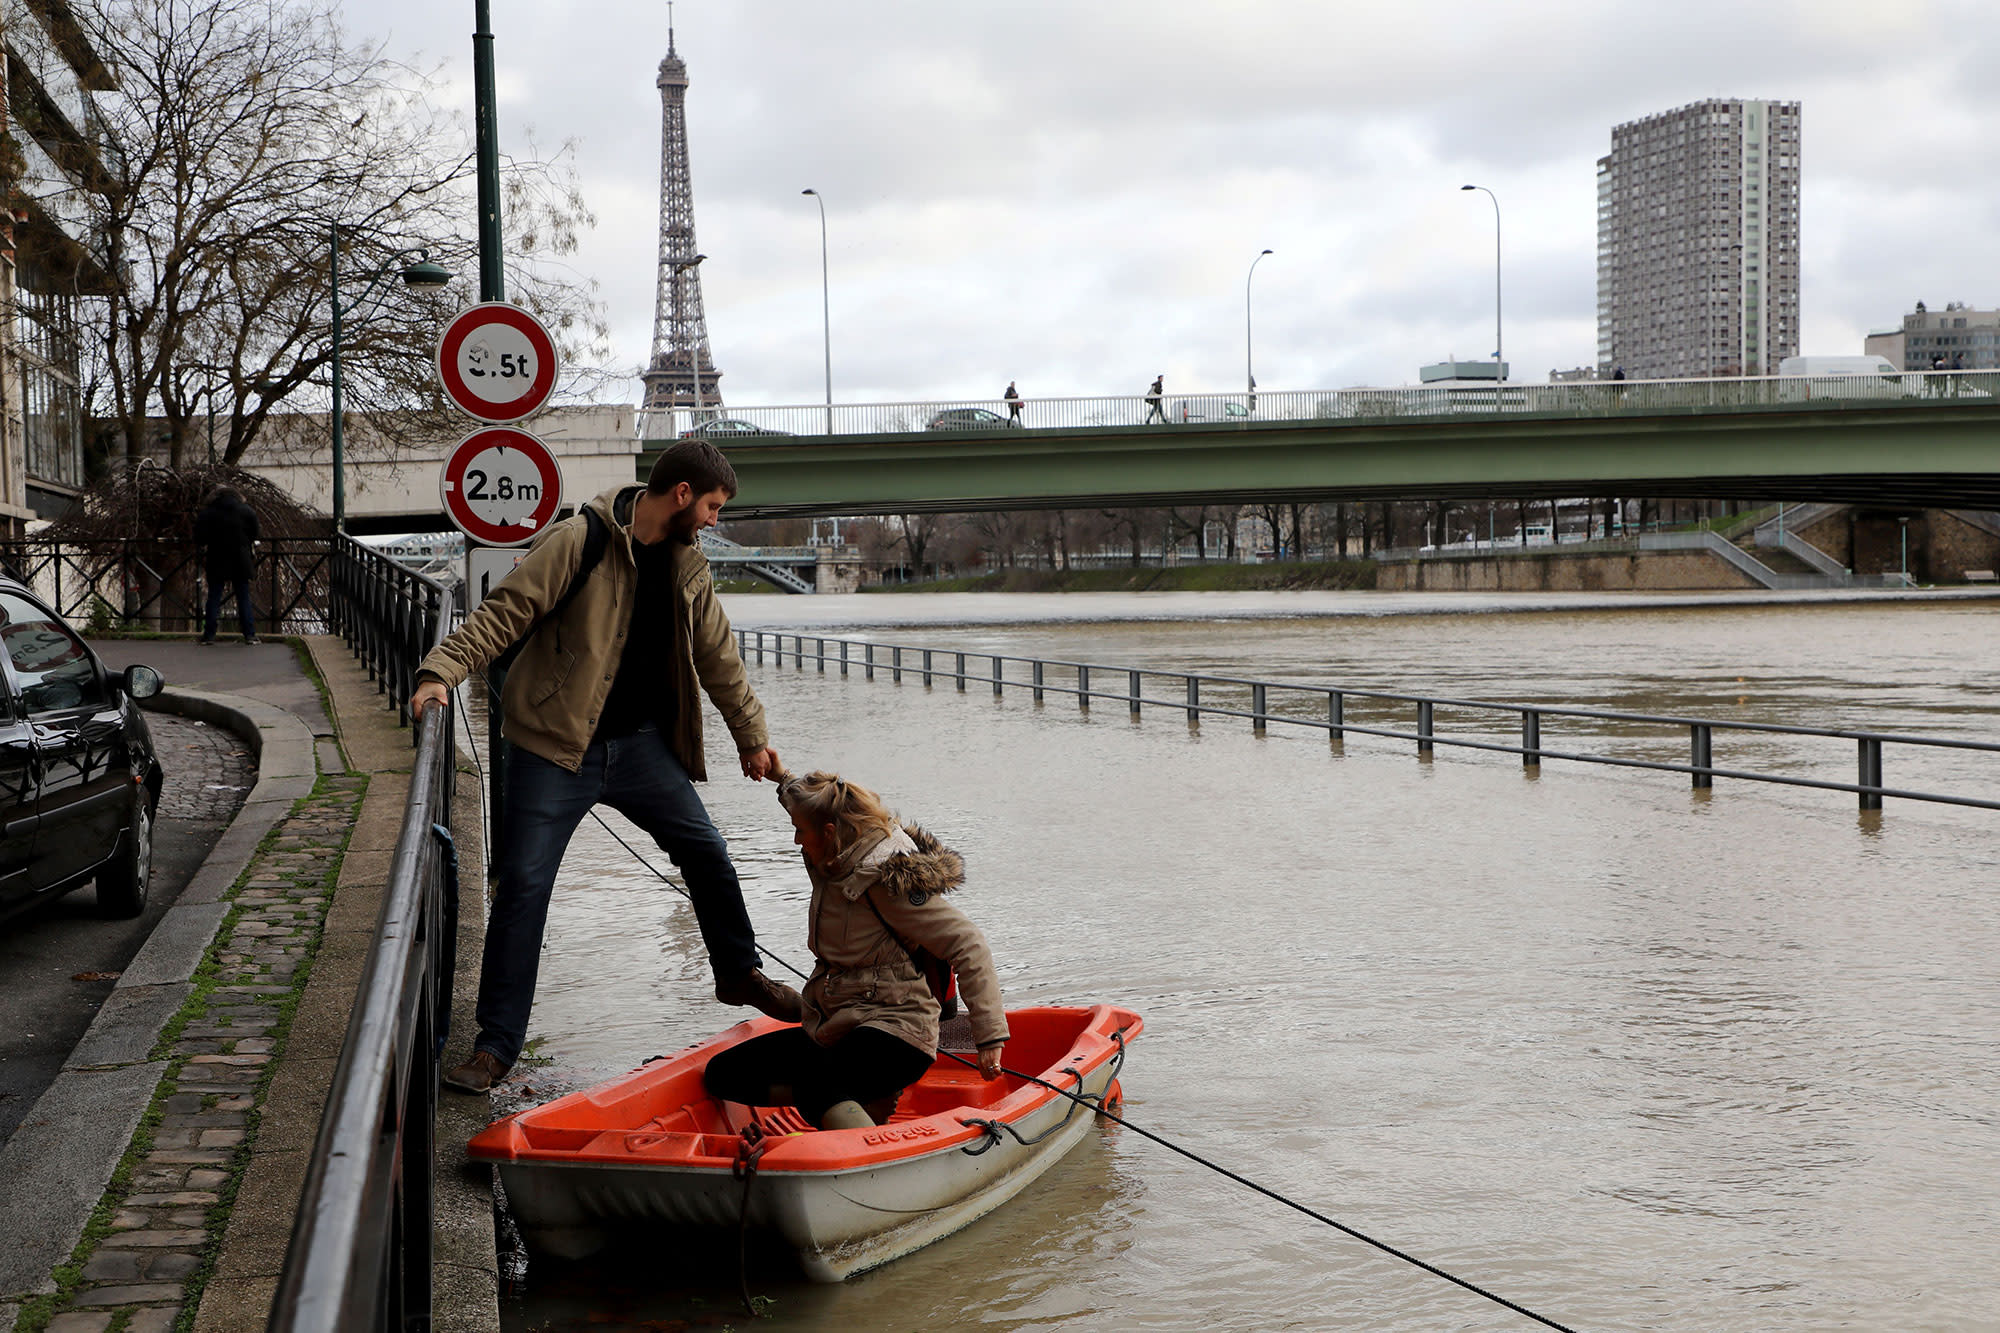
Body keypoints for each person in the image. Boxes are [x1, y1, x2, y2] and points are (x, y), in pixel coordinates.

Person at [411, 439, 802, 1095]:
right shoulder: (581, 540)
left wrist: (751, 736)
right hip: (553, 746)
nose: (714, 520)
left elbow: (718, 654)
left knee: (707, 849)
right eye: (711, 506)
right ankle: (495, 1047)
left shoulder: (688, 563)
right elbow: (506, 612)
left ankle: (737, 971)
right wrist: (439, 670)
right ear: (681, 494)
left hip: (643, 749)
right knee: (524, 888)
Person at [702, 770, 1008, 1131]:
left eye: (800, 829)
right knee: (724, 1074)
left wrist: (989, 1038)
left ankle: (869, 1150)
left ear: (829, 832)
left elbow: (968, 944)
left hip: (899, 1030)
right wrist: (779, 776)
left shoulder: (886, 879)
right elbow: (815, 799)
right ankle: (857, 1102)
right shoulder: (830, 860)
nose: (796, 839)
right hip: (839, 1024)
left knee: (817, 1086)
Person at [194, 486, 260, 644]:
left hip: (217, 557)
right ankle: (249, 634)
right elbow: (255, 532)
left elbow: (199, 537)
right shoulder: (246, 511)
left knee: (214, 596)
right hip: (241, 558)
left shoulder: (208, 513)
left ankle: (209, 635)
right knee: (243, 596)